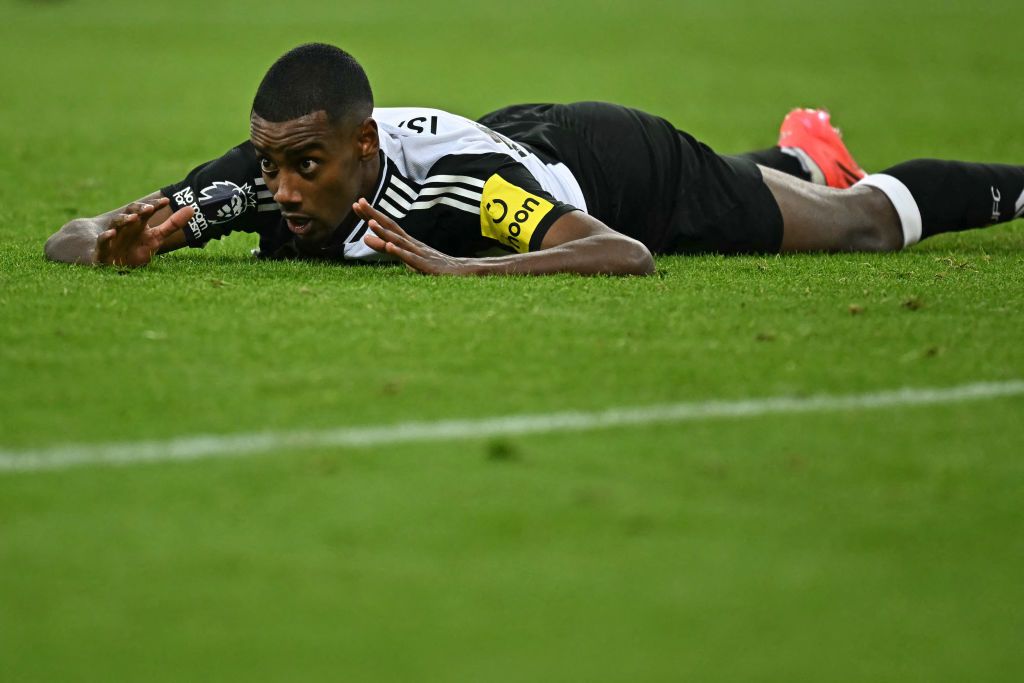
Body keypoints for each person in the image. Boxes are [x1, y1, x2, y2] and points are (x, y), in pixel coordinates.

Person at [44, 43, 1023, 276]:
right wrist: (103, 242)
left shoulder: (454, 191)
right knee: (766, 185)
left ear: (362, 147)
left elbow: (621, 251)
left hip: (618, 163)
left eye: (304, 166)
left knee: (855, 230)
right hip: (520, 130)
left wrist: (462, 264)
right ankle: (799, 155)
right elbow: (71, 236)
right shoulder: (263, 177)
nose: (281, 190)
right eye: (271, 167)